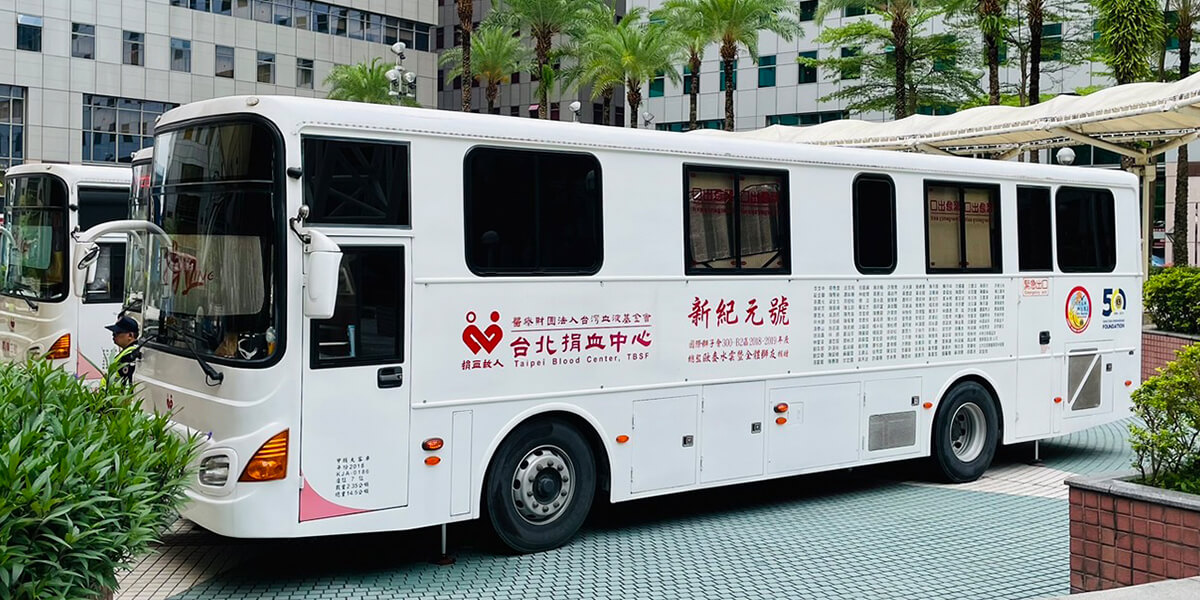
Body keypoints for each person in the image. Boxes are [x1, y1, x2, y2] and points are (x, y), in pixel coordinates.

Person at [104, 316, 140, 387]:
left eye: (116, 333)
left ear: (130, 335)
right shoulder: (128, 352)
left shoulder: (129, 356)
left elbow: (127, 384)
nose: (113, 335)